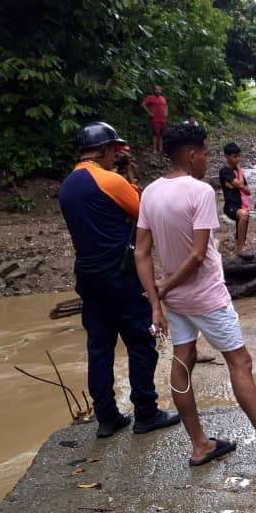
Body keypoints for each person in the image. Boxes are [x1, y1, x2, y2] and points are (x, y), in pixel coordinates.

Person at [135, 122, 256, 469]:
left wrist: (159, 297)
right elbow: (198, 255)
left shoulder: (150, 192)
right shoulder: (200, 191)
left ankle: (200, 445)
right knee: (241, 363)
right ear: (191, 155)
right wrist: (164, 289)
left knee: (182, 360)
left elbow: (141, 253)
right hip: (205, 295)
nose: (207, 159)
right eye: (204, 152)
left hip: (175, 302)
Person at [58, 121, 179, 438]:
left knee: (99, 348)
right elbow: (144, 211)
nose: (117, 156)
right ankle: (146, 412)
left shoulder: (67, 185)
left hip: (88, 275)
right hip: (121, 275)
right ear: (107, 150)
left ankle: (107, 418)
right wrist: (129, 177)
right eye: (116, 150)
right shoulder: (109, 180)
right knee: (140, 344)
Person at [218, 142, 250, 253]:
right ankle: (241, 248)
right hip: (231, 205)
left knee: (241, 231)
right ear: (227, 157)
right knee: (243, 215)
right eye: (234, 157)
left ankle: (239, 247)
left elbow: (248, 191)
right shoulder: (225, 171)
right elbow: (241, 185)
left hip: (242, 205)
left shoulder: (237, 173)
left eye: (238, 156)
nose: (237, 160)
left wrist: (236, 185)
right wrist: (240, 172)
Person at [141, 85, 168, 153]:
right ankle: (154, 149)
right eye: (156, 89)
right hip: (155, 119)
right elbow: (143, 104)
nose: (158, 91)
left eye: (159, 89)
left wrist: (166, 113)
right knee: (155, 134)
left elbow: (166, 105)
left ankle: (160, 149)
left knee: (162, 134)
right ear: (154, 90)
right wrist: (149, 113)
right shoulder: (150, 97)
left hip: (163, 119)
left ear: (161, 91)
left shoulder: (163, 98)